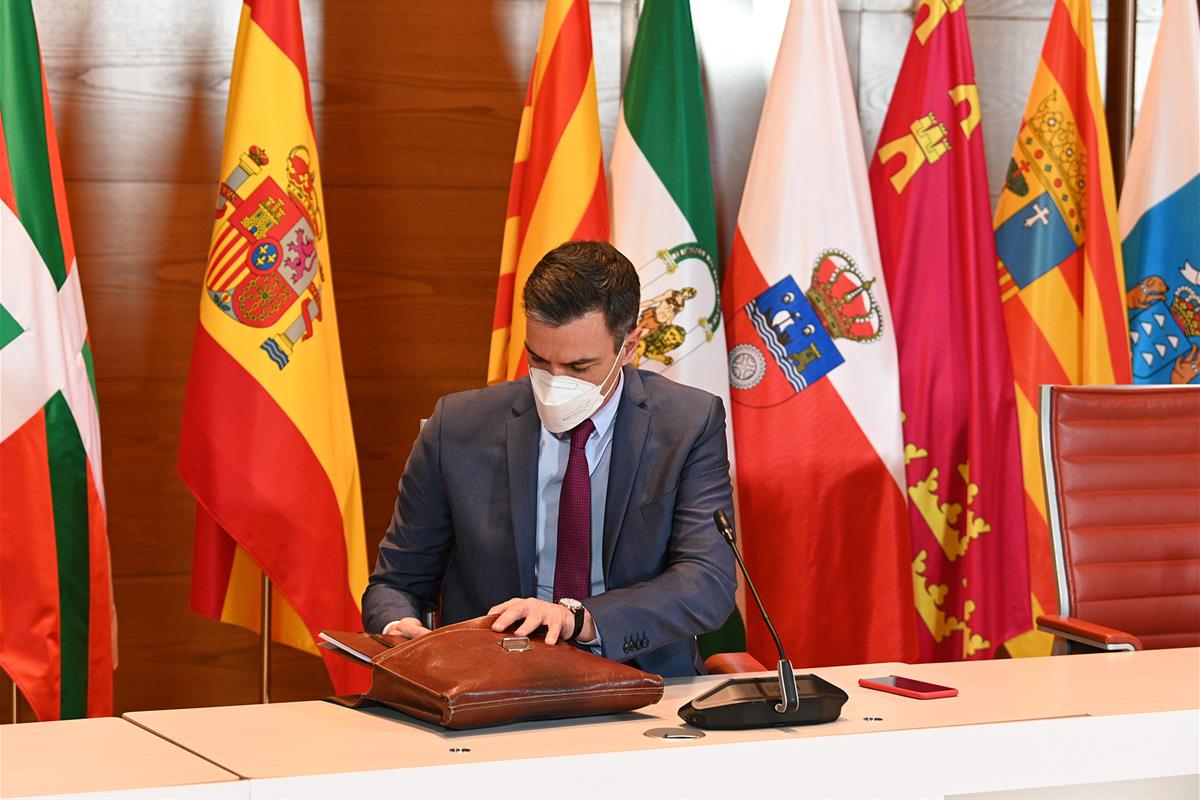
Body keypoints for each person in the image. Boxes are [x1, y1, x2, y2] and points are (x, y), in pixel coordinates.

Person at [362, 240, 736, 676]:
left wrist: (580, 619)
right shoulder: (457, 426)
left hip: (640, 680)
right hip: (490, 683)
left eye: (579, 367)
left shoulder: (688, 423)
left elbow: (707, 582)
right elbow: (395, 582)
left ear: (628, 346)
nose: (555, 382)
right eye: (538, 360)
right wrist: (396, 623)